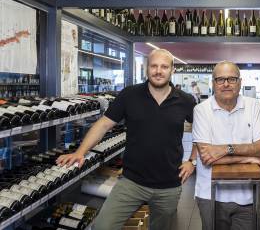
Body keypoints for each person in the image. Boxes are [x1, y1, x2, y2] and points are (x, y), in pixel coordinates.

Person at [56, 49, 197, 230]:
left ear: (172, 70)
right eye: (154, 66)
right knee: (102, 226)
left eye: (164, 66)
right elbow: (103, 124)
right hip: (131, 182)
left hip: (168, 185)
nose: (158, 71)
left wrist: (192, 161)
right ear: (147, 69)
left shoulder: (185, 100)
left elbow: (202, 133)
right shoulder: (129, 95)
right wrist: (80, 152)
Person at [192, 61, 260, 230]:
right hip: (209, 194)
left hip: (247, 194)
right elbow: (206, 158)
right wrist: (249, 157)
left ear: (240, 82)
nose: (226, 84)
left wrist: (225, 149)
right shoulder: (201, 110)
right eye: (220, 79)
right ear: (213, 83)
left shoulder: (253, 106)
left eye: (232, 79)